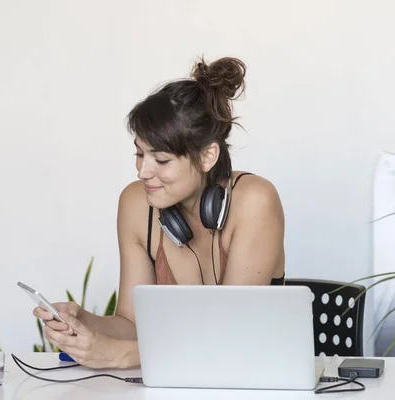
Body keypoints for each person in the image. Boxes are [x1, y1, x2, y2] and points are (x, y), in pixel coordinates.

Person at [33, 56, 286, 369]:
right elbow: (131, 324)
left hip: (255, 380)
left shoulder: (255, 201)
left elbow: (230, 336)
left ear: (208, 156)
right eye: (139, 154)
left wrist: (119, 354)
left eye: (161, 160)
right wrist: (82, 321)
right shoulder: (136, 204)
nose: (142, 172)